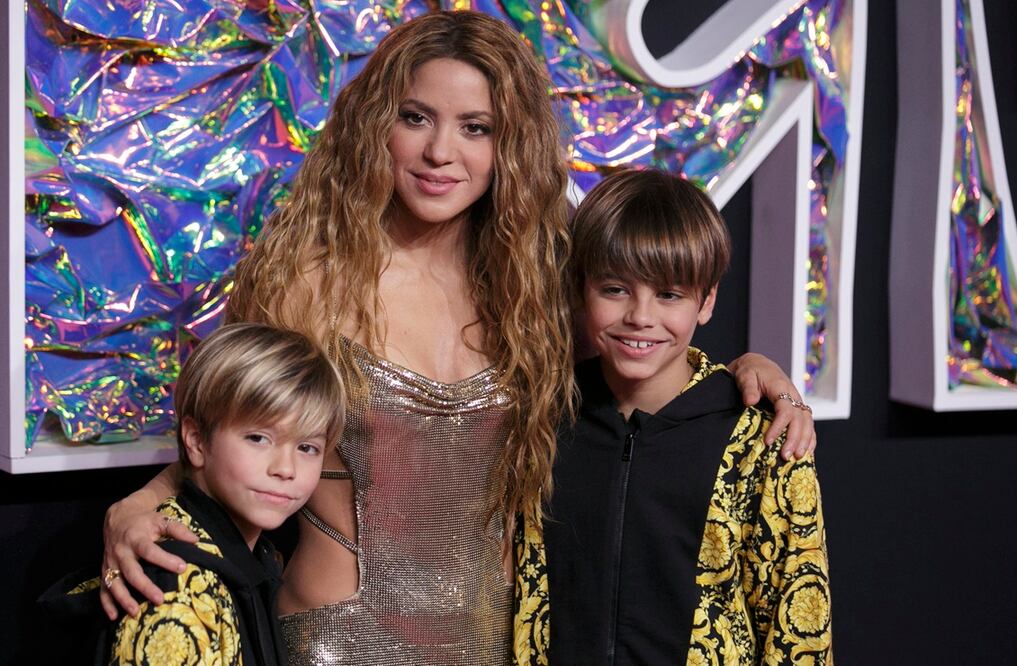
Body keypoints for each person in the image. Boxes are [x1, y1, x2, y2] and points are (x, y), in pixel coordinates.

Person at [97, 11, 818, 665]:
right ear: (378, 122)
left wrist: (749, 373)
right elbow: (229, 430)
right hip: (339, 638)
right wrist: (141, 502)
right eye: (416, 118)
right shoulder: (305, 282)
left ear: (510, 144)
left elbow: (644, 343)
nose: (441, 151)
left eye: (476, 127)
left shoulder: (541, 286)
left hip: (503, 638)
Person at [545, 169, 830, 664]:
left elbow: (798, 629)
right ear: (579, 288)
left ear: (707, 300)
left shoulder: (760, 439)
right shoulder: (542, 420)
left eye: (669, 295)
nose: (640, 315)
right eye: (614, 289)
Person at [41, 323, 346, 664]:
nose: (286, 468)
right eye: (259, 438)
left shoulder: (256, 554)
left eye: (307, 447)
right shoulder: (175, 589)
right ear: (196, 440)